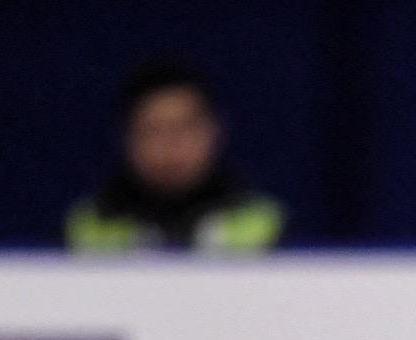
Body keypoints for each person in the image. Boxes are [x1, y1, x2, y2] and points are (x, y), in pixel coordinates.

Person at [66, 60, 283, 254]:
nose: (169, 146)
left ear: (214, 131)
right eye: (152, 130)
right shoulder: (88, 228)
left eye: (184, 128)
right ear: (126, 138)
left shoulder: (266, 226)